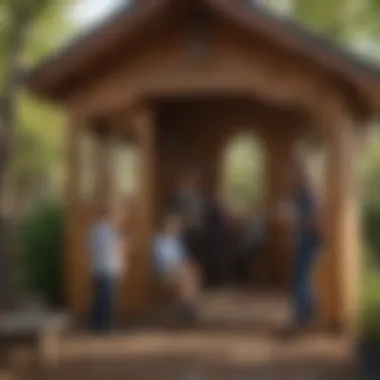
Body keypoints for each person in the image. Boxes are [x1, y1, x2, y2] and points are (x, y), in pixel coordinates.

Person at [280, 159, 324, 337]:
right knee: (299, 280)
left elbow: (314, 220)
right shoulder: (298, 194)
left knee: (303, 280)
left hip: (310, 242)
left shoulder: (310, 195)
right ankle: (302, 318)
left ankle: (306, 319)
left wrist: (296, 217)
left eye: (291, 175)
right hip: (301, 242)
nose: (288, 179)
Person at [153, 212, 200, 319]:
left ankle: (188, 304)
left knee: (191, 273)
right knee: (184, 277)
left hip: (180, 269)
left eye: (178, 227)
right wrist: (175, 267)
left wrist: (186, 266)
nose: (176, 229)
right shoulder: (159, 242)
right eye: (174, 226)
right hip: (165, 271)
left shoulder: (177, 242)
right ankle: (187, 306)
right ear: (166, 226)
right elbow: (159, 262)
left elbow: (185, 257)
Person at [88, 203, 127, 333]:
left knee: (105, 299)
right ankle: (103, 327)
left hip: (109, 269)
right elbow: (105, 250)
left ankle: (101, 325)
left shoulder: (111, 231)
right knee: (105, 299)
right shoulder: (101, 231)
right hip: (104, 269)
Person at [170, 168, 206, 268]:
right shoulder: (178, 196)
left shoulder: (199, 196)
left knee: (195, 255)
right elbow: (175, 213)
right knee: (186, 254)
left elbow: (202, 212)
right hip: (186, 230)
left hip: (197, 230)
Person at [236, 201, 266, 285]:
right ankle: (245, 278)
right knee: (240, 253)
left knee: (240, 256)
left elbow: (251, 237)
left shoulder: (256, 220)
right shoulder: (257, 219)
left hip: (256, 245)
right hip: (256, 244)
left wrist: (242, 244)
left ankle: (245, 278)